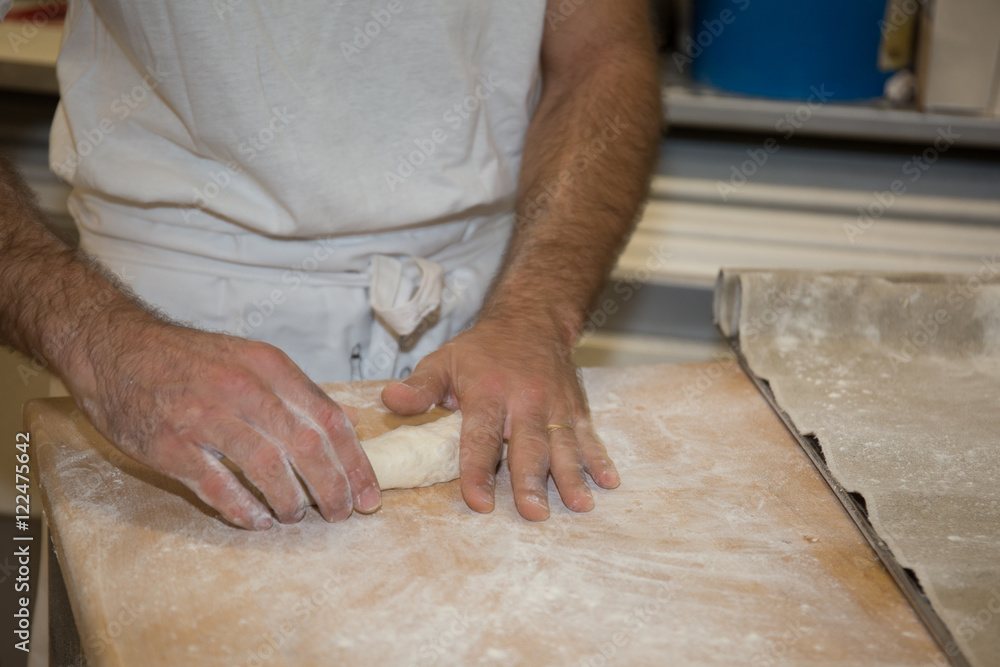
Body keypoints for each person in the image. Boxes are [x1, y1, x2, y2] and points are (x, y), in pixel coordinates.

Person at [0, 0, 661, 529]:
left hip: (483, 323)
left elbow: (603, 56)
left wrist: (534, 313)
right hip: (161, 332)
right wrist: (98, 340)